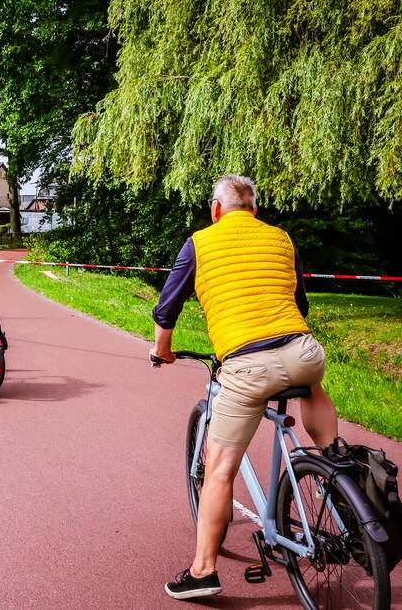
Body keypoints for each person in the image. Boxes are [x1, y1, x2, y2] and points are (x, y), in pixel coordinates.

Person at [150, 174, 339, 600]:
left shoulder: (200, 241)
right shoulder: (281, 238)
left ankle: (202, 572)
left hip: (247, 366)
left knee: (218, 472)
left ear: (216, 210)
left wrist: (162, 350)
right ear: (254, 210)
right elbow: (299, 300)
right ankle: (335, 469)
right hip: (303, 351)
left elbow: (168, 306)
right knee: (311, 388)